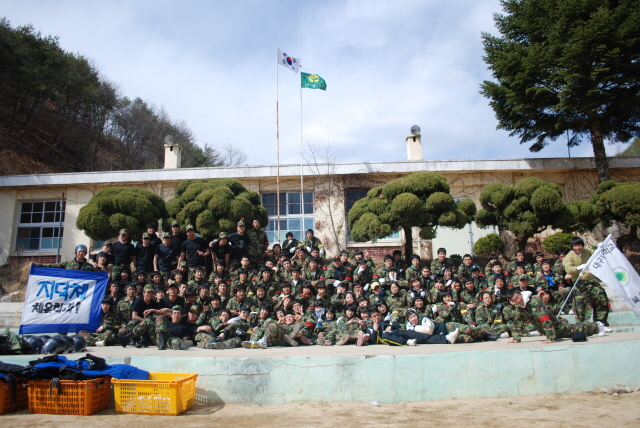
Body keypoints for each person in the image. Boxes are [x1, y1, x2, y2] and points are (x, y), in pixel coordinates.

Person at [506, 288, 606, 344]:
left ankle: (597, 325)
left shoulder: (535, 301)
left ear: (520, 294)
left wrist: (550, 337)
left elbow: (544, 319)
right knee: (575, 332)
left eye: (518, 297)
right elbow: (518, 322)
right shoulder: (519, 307)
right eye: (514, 300)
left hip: (557, 327)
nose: (518, 300)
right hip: (546, 330)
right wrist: (516, 338)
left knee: (576, 329)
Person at [563, 236, 610, 324]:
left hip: (592, 282)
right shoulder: (569, 256)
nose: (578, 248)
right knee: (580, 303)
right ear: (572, 247)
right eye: (575, 246)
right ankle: (582, 325)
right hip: (580, 284)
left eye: (579, 245)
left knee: (601, 296)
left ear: (582, 245)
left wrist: (600, 247)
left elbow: (597, 253)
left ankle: (601, 322)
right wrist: (577, 268)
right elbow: (568, 268)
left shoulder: (587, 251)